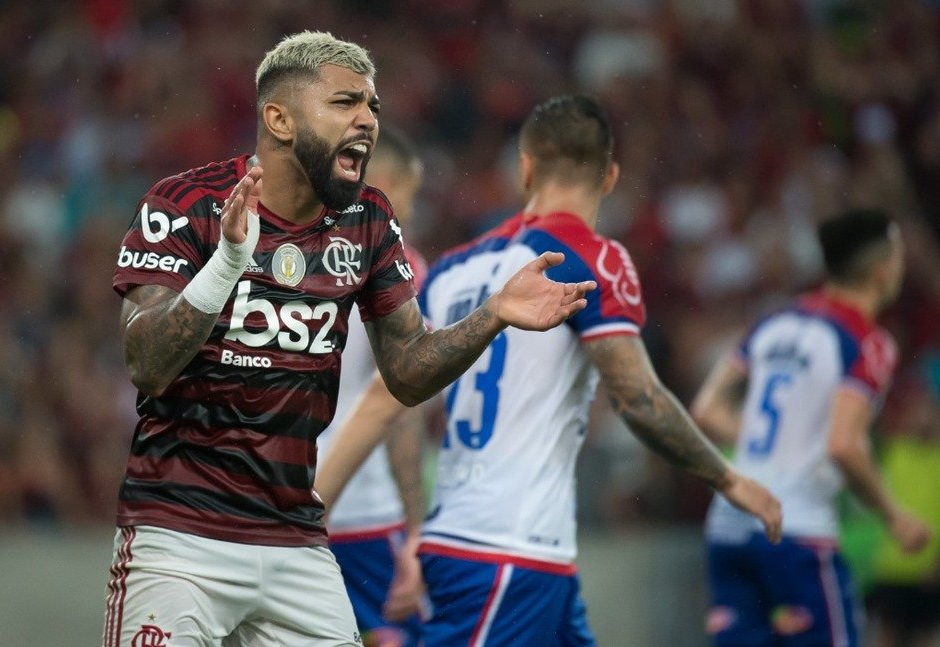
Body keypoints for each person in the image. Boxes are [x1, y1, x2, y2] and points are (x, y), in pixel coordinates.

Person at [104, 31, 597, 647]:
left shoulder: (367, 220)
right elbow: (147, 364)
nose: (367, 120)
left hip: (296, 538)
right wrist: (228, 263)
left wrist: (492, 315)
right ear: (278, 118)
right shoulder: (184, 204)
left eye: (373, 106)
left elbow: (408, 373)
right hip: (179, 535)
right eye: (346, 103)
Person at [316, 94, 782, 646]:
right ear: (609, 177)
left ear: (525, 168)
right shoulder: (592, 259)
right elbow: (639, 399)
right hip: (503, 551)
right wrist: (728, 479)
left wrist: (314, 510)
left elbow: (385, 403)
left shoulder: (451, 269)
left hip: (520, 551)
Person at [691, 208, 932, 647]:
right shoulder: (867, 343)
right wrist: (894, 517)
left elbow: (706, 409)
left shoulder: (773, 322)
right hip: (796, 531)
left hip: (728, 525)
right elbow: (844, 444)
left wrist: (776, 443)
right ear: (882, 271)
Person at [315, 125, 428, 647]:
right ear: (384, 184)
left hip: (286, 494)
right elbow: (400, 401)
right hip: (364, 503)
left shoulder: (293, 249)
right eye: (408, 193)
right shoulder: (398, 265)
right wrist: (415, 525)